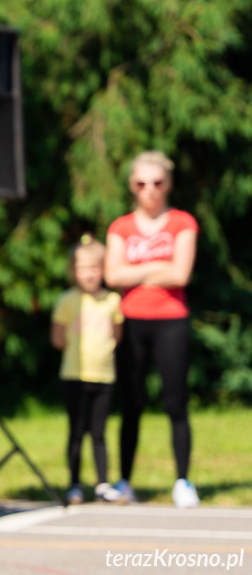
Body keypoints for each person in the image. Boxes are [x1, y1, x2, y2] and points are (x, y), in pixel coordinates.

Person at [104, 151, 200, 508]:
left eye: (157, 182)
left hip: (172, 319)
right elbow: (113, 276)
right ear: (132, 186)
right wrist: (160, 266)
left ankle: (184, 481)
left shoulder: (183, 222)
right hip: (131, 320)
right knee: (131, 403)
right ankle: (126, 480)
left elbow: (182, 274)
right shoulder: (121, 226)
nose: (150, 190)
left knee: (175, 402)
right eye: (142, 183)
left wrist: (138, 270)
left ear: (168, 184)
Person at [51, 234, 125, 505]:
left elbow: (117, 336)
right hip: (74, 375)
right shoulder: (67, 300)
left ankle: (103, 483)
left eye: (95, 268)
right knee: (77, 430)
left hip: (104, 375)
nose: (89, 274)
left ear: (103, 269)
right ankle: (74, 485)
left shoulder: (112, 301)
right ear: (74, 271)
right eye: (83, 268)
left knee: (99, 431)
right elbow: (57, 339)